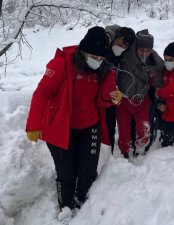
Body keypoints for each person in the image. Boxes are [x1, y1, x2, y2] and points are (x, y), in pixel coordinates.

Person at [25, 26, 121, 218]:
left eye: (101, 58)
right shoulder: (62, 64)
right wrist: (33, 125)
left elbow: (102, 98)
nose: (98, 61)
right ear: (83, 51)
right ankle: (66, 207)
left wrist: (112, 97)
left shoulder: (104, 71)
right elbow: (42, 93)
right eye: (94, 56)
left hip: (90, 126)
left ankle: (83, 204)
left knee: (87, 171)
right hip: (62, 128)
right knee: (66, 173)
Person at [117, 29, 163, 159]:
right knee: (124, 128)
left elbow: (159, 78)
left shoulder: (154, 62)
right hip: (123, 100)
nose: (144, 53)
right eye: (141, 50)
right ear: (136, 47)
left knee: (144, 127)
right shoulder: (125, 54)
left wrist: (157, 89)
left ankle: (141, 149)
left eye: (148, 50)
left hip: (141, 99)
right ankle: (125, 151)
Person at [104, 25, 136, 154]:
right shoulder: (103, 46)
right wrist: (109, 34)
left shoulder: (122, 55)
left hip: (111, 99)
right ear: (116, 37)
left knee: (110, 129)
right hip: (95, 99)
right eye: (120, 43)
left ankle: (108, 157)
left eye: (125, 46)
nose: (121, 47)